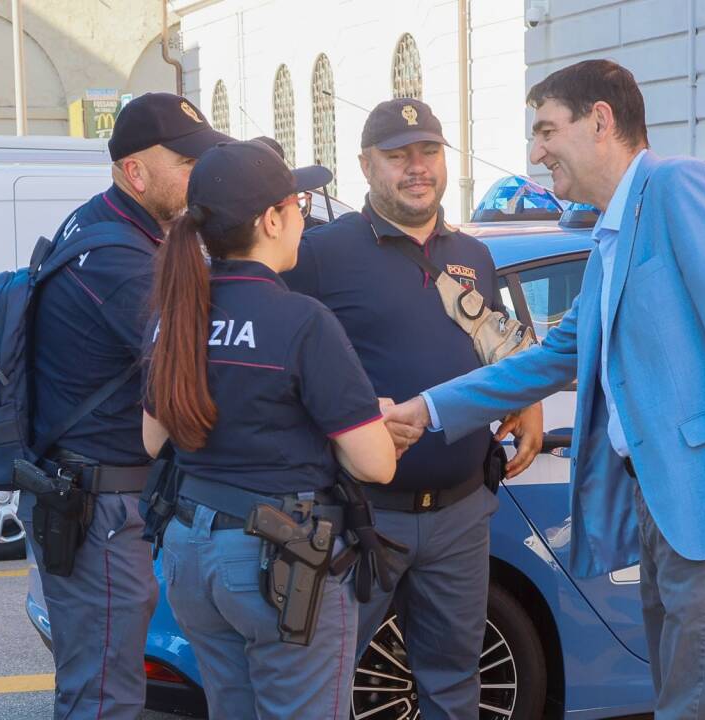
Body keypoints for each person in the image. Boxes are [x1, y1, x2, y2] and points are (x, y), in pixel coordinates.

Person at [385, 60, 705, 719]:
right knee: (680, 694)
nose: (536, 152)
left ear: (600, 121)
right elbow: (558, 354)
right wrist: (428, 409)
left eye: (545, 130)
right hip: (664, 504)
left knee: (698, 701)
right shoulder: (611, 228)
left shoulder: (679, 187)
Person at [282, 98, 543, 719]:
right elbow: (278, 362)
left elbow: (496, 349)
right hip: (360, 518)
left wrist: (526, 398)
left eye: (427, 151)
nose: (416, 167)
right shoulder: (320, 255)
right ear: (366, 165)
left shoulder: (472, 256)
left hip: (460, 513)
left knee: (454, 685)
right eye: (398, 156)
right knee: (322, 680)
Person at [142, 140, 396, 718]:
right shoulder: (301, 320)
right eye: (297, 203)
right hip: (275, 560)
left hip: (191, 551)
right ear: (271, 219)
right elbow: (376, 463)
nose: (304, 218)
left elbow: (153, 440)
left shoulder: (176, 312)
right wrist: (371, 420)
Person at [20, 92, 229, 720]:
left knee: (95, 685)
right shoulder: (118, 257)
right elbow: (197, 369)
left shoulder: (110, 228)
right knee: (105, 697)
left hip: (92, 501)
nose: (204, 173)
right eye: (188, 162)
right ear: (134, 171)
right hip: (99, 511)